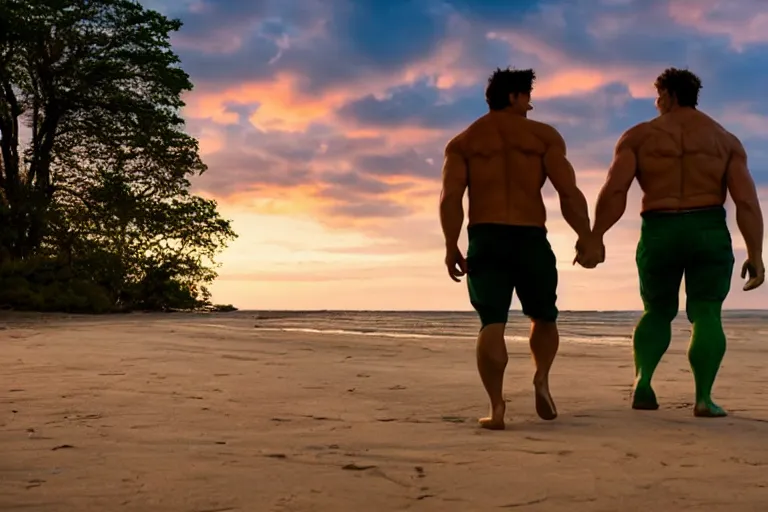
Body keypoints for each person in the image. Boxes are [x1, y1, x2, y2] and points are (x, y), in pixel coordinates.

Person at [577, 67, 765, 418]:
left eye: (658, 95)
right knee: (707, 312)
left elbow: (616, 189)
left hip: (660, 229)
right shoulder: (725, 141)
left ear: (670, 95)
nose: (656, 102)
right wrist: (755, 253)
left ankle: (643, 380)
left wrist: (595, 236)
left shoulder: (640, 137)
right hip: (707, 228)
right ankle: (704, 399)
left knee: (657, 311)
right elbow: (746, 202)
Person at [439, 67, 595, 430]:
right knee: (544, 315)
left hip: (486, 237)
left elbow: (450, 198)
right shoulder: (543, 137)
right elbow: (567, 191)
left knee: (491, 322)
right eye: (527, 96)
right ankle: (541, 378)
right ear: (513, 97)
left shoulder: (464, 142)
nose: (530, 104)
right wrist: (586, 234)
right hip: (530, 237)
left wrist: (451, 245)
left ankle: (496, 407)